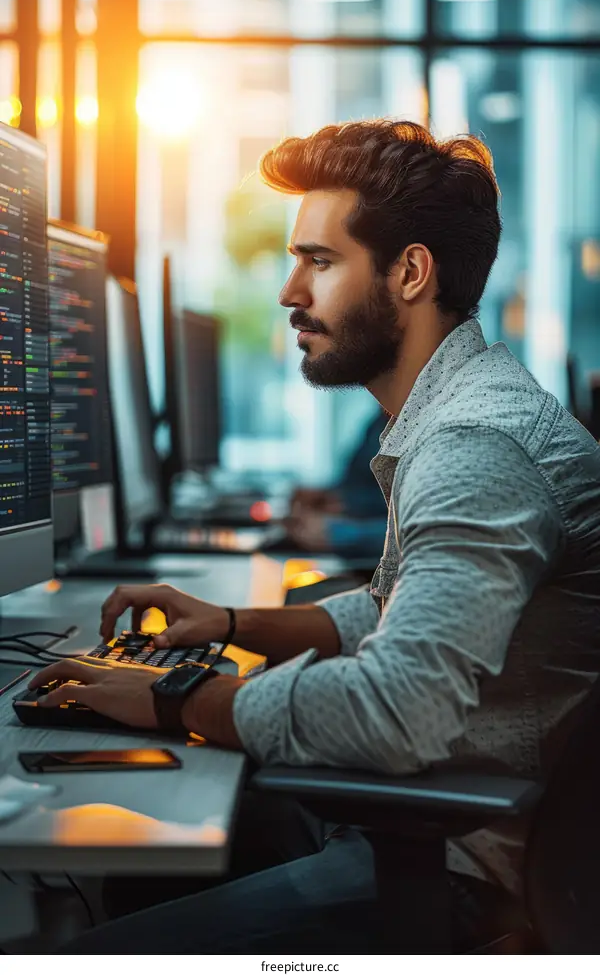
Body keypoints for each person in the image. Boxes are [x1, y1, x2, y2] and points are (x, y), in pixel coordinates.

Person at [36, 119, 600, 953]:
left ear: (410, 272)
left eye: (320, 260)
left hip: (456, 874)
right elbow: (394, 612)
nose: (289, 290)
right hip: (410, 820)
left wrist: (172, 699)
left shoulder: (476, 448)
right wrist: (231, 627)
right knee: (136, 863)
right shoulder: (459, 412)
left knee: (80, 954)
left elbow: (396, 708)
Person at [285, 408, 389, 555]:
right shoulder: (380, 421)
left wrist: (338, 533)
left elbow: (414, 526)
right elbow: (356, 478)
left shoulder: (425, 428)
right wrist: (330, 495)